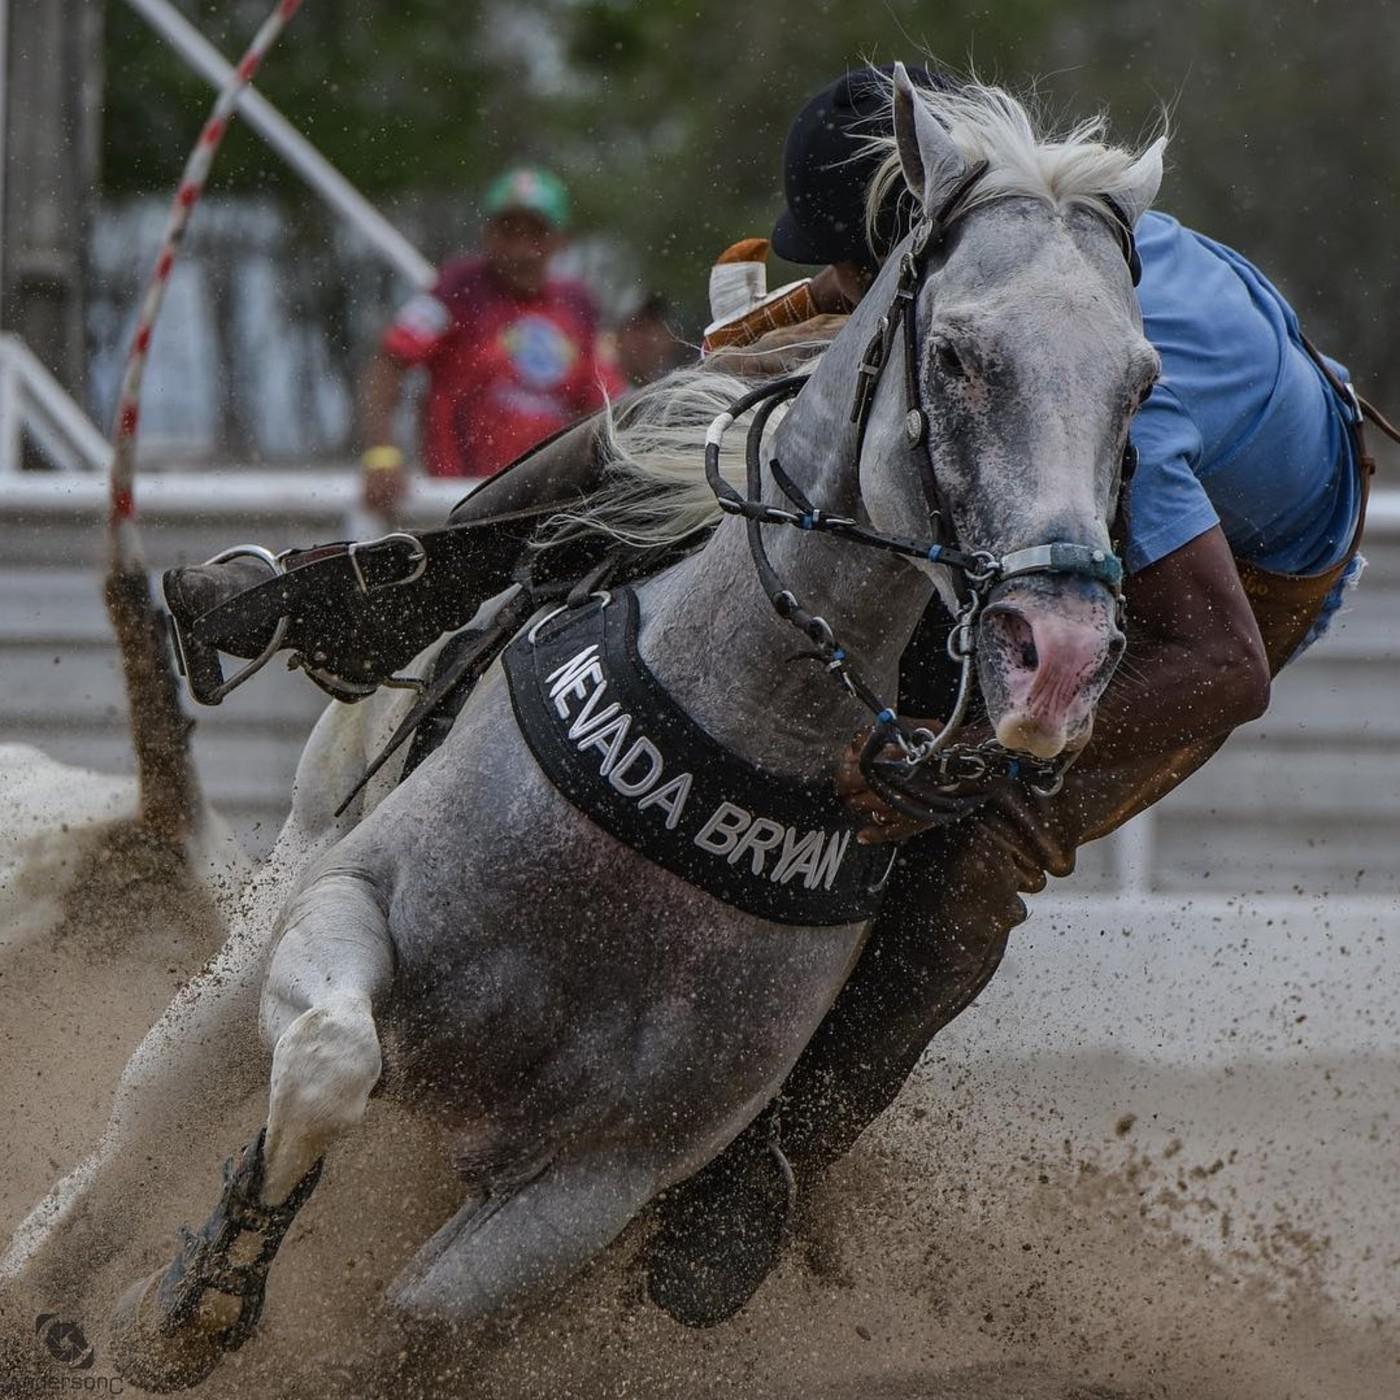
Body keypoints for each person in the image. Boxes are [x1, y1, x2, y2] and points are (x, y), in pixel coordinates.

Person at [162, 64, 1381, 1326]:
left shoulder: (1105, 365)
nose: (837, 292)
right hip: (1072, 406)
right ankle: (388, 586)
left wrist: (969, 751)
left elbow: (1219, 664)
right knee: (688, 414)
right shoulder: (1009, 232)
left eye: (842, 272)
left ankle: (766, 1163)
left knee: (976, 831)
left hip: (1236, 574)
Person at [358, 164, 624, 520]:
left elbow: (603, 402)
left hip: (546, 510)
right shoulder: (459, 289)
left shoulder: (577, 305)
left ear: (561, 241)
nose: (521, 250)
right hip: (459, 509)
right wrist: (382, 454)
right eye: (508, 232)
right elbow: (388, 365)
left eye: (536, 234)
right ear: (487, 235)